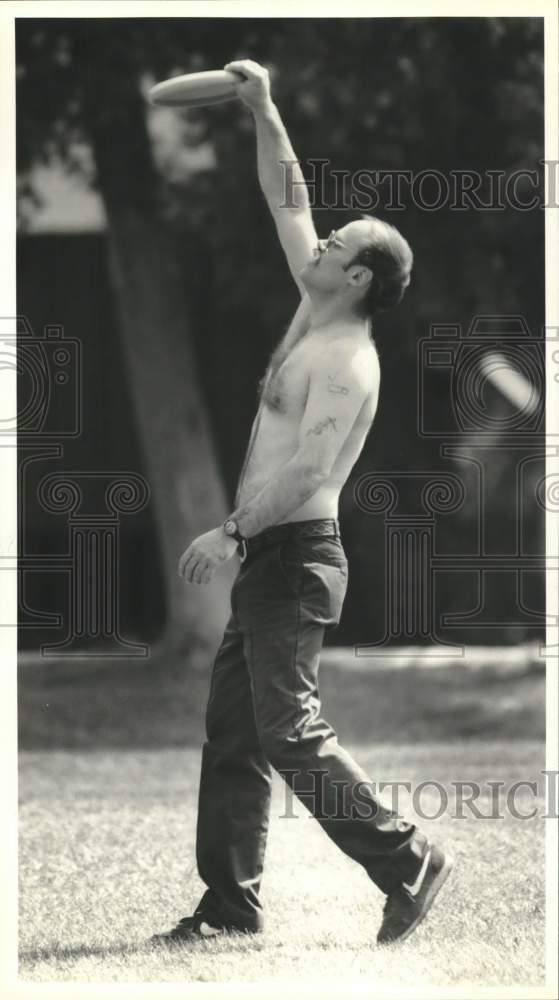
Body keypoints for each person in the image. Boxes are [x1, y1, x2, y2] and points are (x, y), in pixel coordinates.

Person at [153, 59, 453, 947]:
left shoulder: (345, 361)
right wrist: (264, 109)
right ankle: (231, 904)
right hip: (271, 562)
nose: (318, 245)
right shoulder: (314, 314)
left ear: (358, 278)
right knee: (234, 737)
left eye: (336, 245)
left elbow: (311, 468)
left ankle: (407, 860)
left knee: (288, 732)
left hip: (295, 557)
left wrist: (232, 527)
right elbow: (287, 202)